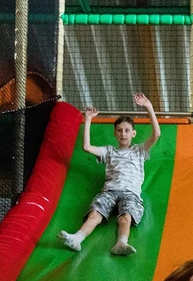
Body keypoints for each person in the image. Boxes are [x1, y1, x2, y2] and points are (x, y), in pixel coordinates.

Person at [59, 93, 160, 256]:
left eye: (127, 130)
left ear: (133, 133)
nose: (123, 134)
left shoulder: (139, 151)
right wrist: (88, 119)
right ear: (115, 133)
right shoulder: (109, 151)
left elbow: (156, 135)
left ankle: (121, 243)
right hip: (110, 191)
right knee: (95, 214)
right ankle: (77, 238)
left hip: (130, 193)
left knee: (125, 217)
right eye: (119, 130)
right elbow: (86, 147)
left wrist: (149, 107)